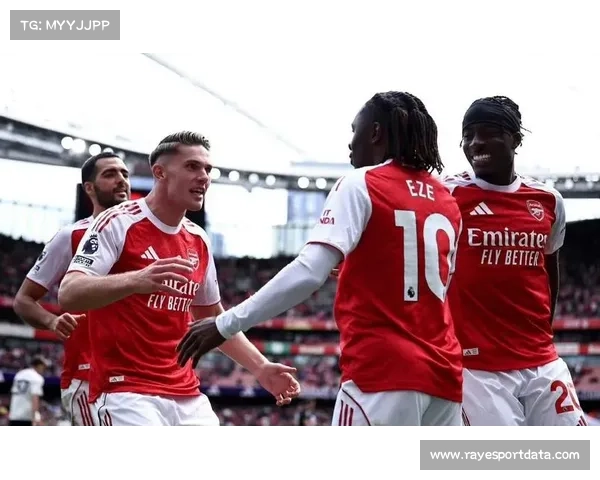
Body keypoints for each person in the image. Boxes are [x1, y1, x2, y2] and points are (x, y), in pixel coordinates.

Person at [178, 92, 464, 426]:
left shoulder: (362, 183)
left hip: (382, 374)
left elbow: (309, 272)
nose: (350, 144)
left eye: (355, 130)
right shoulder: (446, 199)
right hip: (445, 379)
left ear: (375, 132)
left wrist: (225, 324)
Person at [58, 131, 300, 427]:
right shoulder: (117, 222)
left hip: (186, 394)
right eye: (192, 166)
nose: (204, 177)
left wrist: (260, 366)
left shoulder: (198, 239)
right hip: (125, 391)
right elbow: (69, 292)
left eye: (207, 169)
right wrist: (136, 280)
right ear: (160, 172)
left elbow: (211, 317)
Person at [443, 95, 584, 426]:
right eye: (468, 135)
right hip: (477, 369)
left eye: (488, 133)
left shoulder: (548, 201)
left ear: (515, 139)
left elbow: (549, 271)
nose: (475, 143)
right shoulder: (448, 195)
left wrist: (542, 333)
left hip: (542, 360)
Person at [14, 152, 131, 426]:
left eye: (124, 174)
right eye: (110, 174)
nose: (121, 180)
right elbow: (23, 300)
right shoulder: (72, 235)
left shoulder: (150, 235)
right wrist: (52, 321)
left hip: (145, 375)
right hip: (90, 377)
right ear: (89, 188)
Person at [8, 356, 49, 431]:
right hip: (26, 417)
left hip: (13, 416)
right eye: (44, 367)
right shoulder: (36, 378)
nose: (44, 370)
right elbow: (35, 397)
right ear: (39, 366)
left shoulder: (19, 374)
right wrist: (36, 416)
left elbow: (13, 394)